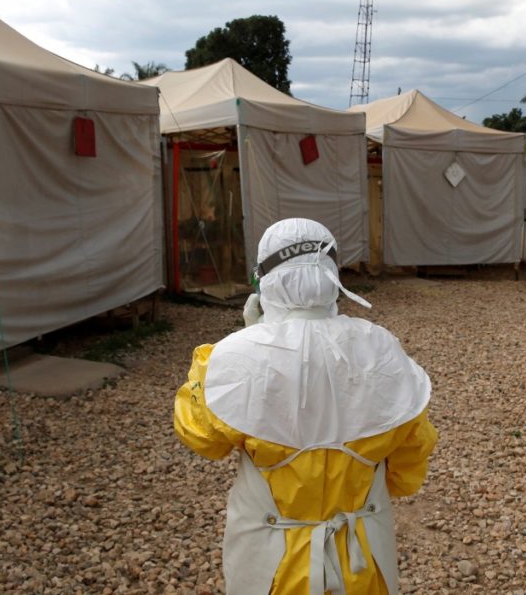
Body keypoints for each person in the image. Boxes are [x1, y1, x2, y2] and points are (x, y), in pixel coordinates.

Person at [174, 218, 437, 594]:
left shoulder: (232, 357)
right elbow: (411, 459)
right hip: (363, 556)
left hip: (270, 565)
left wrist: (245, 343)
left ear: (262, 280)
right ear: (332, 275)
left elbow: (201, 438)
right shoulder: (381, 350)